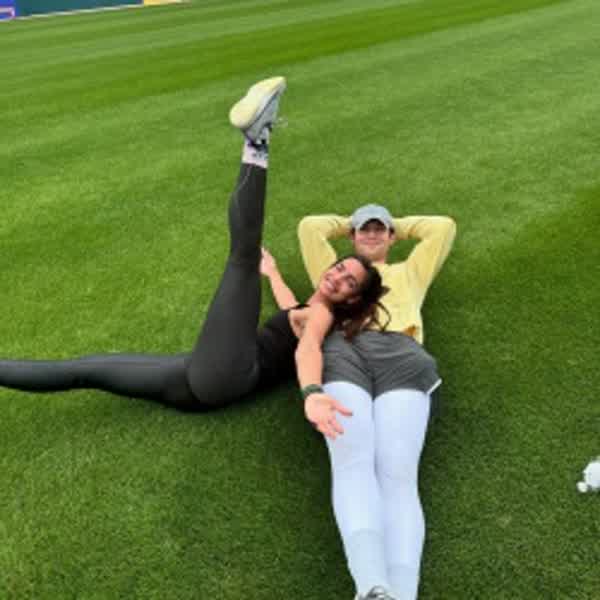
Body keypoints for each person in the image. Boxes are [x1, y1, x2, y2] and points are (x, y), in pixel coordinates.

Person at [0, 78, 387, 412]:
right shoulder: (306, 309)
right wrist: (272, 274)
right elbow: (289, 307)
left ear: (353, 299)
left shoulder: (322, 318)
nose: (337, 277)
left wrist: (313, 392)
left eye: (349, 282)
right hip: (195, 380)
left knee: (242, 254)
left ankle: (258, 141)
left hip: (229, 375)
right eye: (340, 268)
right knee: (83, 370)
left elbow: (308, 348)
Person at [297, 205, 457, 600]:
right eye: (364, 230)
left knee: (397, 474)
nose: (371, 234)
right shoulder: (336, 273)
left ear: (390, 237)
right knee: (352, 460)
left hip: (402, 353)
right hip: (345, 348)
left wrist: (393, 227)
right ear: (351, 236)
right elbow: (310, 227)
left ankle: (401, 594)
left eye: (378, 230)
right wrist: (352, 227)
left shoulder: (409, 272)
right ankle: (371, 586)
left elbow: (443, 227)